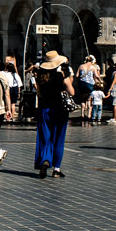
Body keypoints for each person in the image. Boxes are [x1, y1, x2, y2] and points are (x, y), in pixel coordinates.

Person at [33, 50, 76, 179]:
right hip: (59, 109)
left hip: (44, 109)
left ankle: (45, 160)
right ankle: (56, 169)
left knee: (45, 137)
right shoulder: (61, 76)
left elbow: (39, 93)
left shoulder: (40, 75)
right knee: (59, 138)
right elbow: (72, 92)